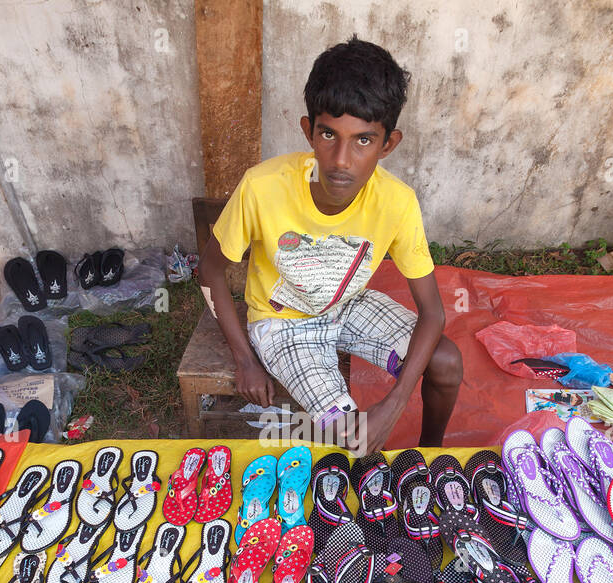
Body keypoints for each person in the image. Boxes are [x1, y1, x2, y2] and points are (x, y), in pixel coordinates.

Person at [197, 36, 462, 454]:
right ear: (309, 131)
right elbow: (209, 270)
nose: (341, 160)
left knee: (446, 363)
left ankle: (430, 457)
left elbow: (433, 312)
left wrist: (395, 403)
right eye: (328, 134)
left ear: (387, 144)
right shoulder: (263, 187)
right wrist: (245, 359)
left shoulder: (397, 202)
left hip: (348, 304)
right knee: (350, 433)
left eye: (363, 140)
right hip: (283, 324)